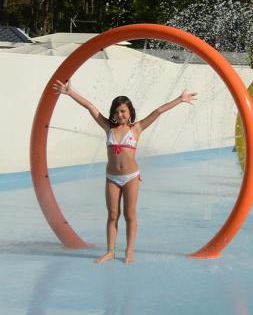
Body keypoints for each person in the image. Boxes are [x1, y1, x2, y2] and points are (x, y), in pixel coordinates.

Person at [53, 80, 198, 264]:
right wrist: (70, 92)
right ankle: (110, 251)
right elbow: (90, 107)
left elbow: (158, 111)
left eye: (123, 111)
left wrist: (180, 99)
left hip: (131, 178)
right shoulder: (108, 128)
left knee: (130, 214)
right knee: (113, 215)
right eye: (117, 111)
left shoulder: (136, 129)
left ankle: (129, 251)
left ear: (130, 113)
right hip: (112, 178)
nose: (119, 114)